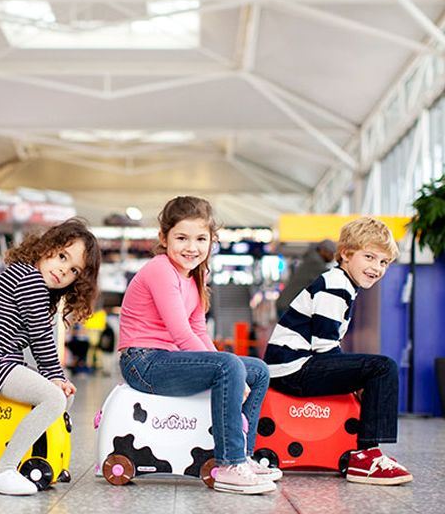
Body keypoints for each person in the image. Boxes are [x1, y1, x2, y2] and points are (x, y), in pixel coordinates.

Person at [118, 196, 279, 495]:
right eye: (182, 237)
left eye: (201, 239)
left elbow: (197, 331)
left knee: (256, 369)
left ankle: (243, 455)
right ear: (164, 238)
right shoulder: (160, 269)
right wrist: (228, 368)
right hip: (142, 363)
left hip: (166, 360)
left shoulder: (193, 278)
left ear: (211, 241)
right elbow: (181, 333)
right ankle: (229, 465)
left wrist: (234, 371)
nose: (192, 247)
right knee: (230, 364)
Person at [0, 218, 100, 496]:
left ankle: (46, 457)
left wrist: (56, 377)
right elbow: (41, 336)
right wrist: (55, 375)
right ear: (46, 247)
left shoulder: (28, 279)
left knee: (63, 395)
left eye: (73, 270)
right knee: (55, 397)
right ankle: (3, 470)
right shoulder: (28, 279)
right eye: (62, 256)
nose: (63, 270)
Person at [264, 217, 411, 485]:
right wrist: (355, 379)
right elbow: (325, 347)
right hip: (294, 368)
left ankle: (368, 452)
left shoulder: (342, 284)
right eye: (369, 257)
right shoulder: (336, 285)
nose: (376, 268)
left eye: (383, 262)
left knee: (371, 369)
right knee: (383, 367)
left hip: (295, 365)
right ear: (345, 253)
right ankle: (366, 455)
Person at [275, 240, 336, 317]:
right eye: (331, 253)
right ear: (323, 250)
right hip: (288, 305)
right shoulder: (314, 262)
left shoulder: (310, 259)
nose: (332, 257)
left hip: (287, 304)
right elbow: (330, 276)